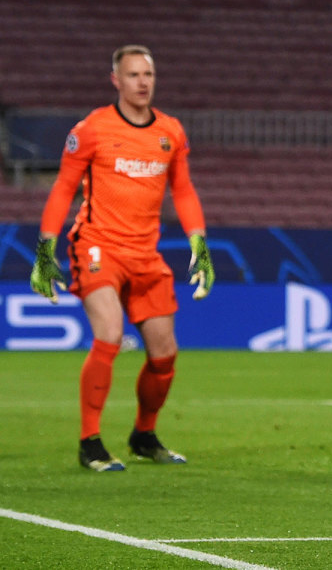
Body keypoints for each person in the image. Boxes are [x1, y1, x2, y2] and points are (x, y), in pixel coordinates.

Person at [30, 44, 214, 472]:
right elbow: (62, 188)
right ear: (116, 80)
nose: (142, 82)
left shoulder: (170, 132)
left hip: (145, 253)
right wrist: (44, 248)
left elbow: (183, 191)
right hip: (97, 246)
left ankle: (143, 435)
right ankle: (89, 442)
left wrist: (199, 244)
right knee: (110, 333)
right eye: (132, 75)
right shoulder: (92, 129)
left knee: (165, 353)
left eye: (147, 74)